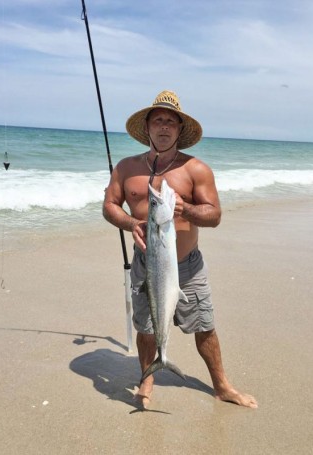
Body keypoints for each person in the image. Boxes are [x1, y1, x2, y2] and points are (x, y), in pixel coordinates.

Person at [103, 90, 258, 409]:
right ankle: (148, 378)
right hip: (146, 262)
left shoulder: (195, 169)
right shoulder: (126, 167)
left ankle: (222, 385)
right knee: (146, 326)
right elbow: (109, 206)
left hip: (187, 266)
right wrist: (131, 223)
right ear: (147, 128)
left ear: (179, 129)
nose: (163, 126)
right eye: (157, 120)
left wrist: (186, 210)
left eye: (170, 122)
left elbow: (214, 215)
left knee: (204, 325)